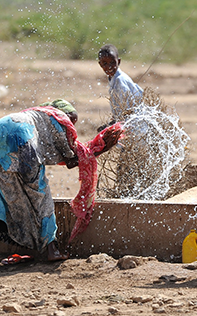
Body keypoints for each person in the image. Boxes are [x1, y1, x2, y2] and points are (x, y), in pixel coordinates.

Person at [0, 99, 123, 262]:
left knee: (8, 192)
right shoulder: (58, 118)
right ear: (63, 113)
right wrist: (101, 147)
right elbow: (72, 160)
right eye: (72, 119)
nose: (71, 125)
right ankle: (52, 250)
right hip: (24, 141)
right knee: (42, 197)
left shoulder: (36, 114)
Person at [98, 44, 143, 123]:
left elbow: (128, 110)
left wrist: (113, 124)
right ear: (100, 64)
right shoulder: (113, 79)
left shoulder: (120, 80)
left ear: (118, 62)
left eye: (112, 62)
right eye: (105, 63)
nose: (109, 66)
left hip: (134, 123)